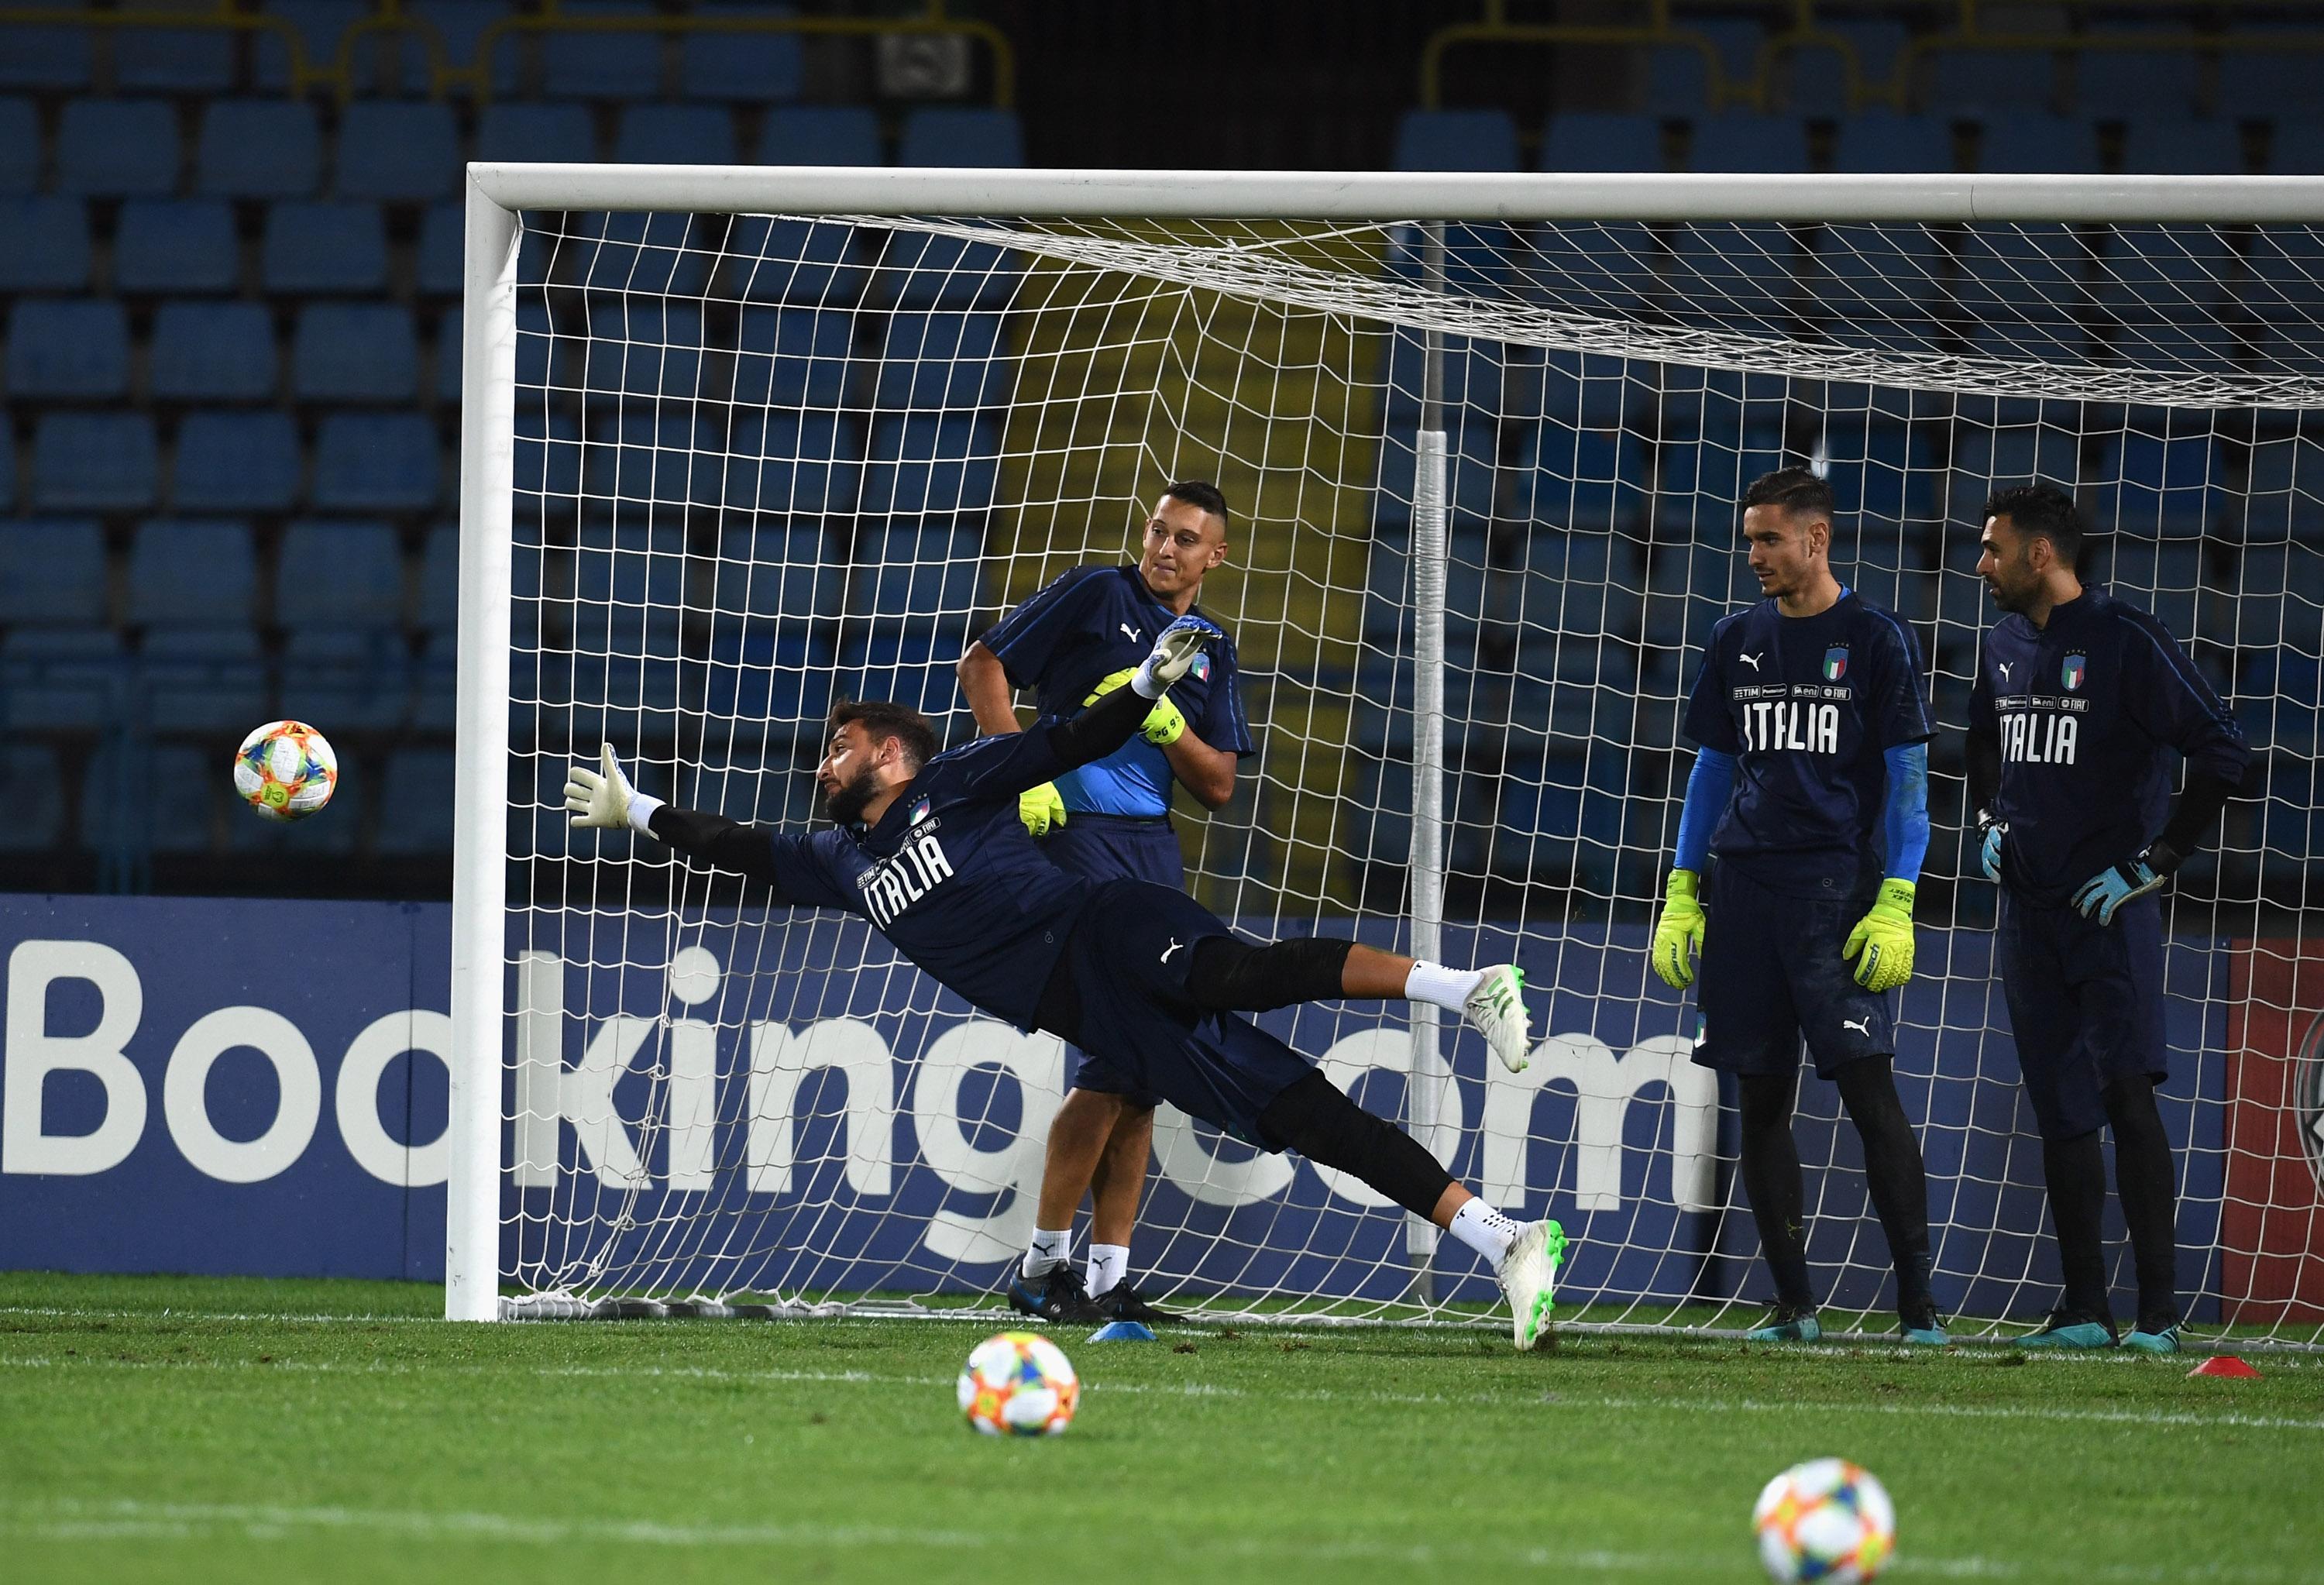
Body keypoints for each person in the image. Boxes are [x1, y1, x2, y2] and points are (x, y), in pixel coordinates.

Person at [564, 617, 1565, 1348]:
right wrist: (641, 808)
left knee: (1236, 971)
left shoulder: (958, 778)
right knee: (1305, 1117)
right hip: (1094, 1014)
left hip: (1105, 928)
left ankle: (1465, 986)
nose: (825, 762)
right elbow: (735, 845)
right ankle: (1506, 1239)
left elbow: (1066, 741)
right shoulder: (836, 859)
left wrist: (1137, 689)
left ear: (895, 751)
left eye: (843, 744)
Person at [1650, 466, 1945, 1346]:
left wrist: (1897, 895)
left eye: (1769, 539)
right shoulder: (1732, 637)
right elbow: (1710, 769)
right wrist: (1682, 887)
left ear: (1817, 540)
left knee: (1870, 1097)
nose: (1754, 556)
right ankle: (1794, 1306)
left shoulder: (1875, 638)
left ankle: (1919, 1309)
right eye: (1749, 540)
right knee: (1761, 1102)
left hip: (1835, 895)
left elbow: (1908, 783)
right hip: (1744, 894)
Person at [956, 480, 1253, 1325]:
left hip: (1153, 846)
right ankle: (1046, 1263)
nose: (1166, 548)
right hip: (1073, 833)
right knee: (1113, 1056)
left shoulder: (1209, 646)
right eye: (1159, 531)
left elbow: (1221, 785)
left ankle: (1106, 1275)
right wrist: (1019, 766)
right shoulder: (1096, 592)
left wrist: (1169, 730)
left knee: (1144, 1065)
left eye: (1187, 539)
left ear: (1216, 556)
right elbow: (984, 665)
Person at [1966, 483, 2250, 1353]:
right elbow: (1982, 739)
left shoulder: (2127, 639)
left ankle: (2160, 1316)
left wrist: (2157, 861)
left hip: (2108, 911)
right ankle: (2087, 1308)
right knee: (2059, 1110)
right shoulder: (2004, 644)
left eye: (1993, 548)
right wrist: (1987, 820)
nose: (1981, 564)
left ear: (2040, 555)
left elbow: (2223, 751)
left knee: (2127, 1096)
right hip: (2029, 915)